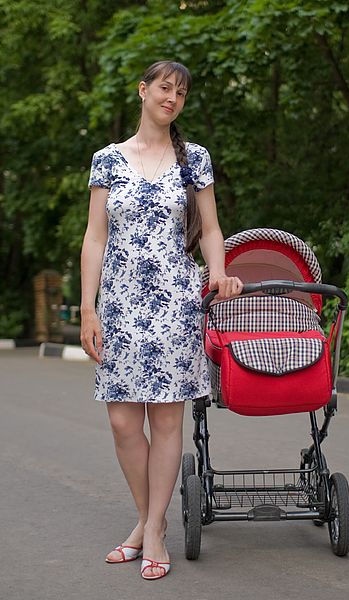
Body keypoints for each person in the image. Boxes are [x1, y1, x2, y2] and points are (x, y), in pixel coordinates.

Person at [80, 60, 243, 580]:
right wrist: (89, 306)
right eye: (165, 88)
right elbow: (95, 238)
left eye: (182, 93)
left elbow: (212, 228)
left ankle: (151, 530)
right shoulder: (107, 160)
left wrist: (217, 272)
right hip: (121, 306)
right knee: (123, 419)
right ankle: (148, 522)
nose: (173, 97)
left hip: (174, 300)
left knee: (166, 418)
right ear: (143, 91)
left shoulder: (194, 158)